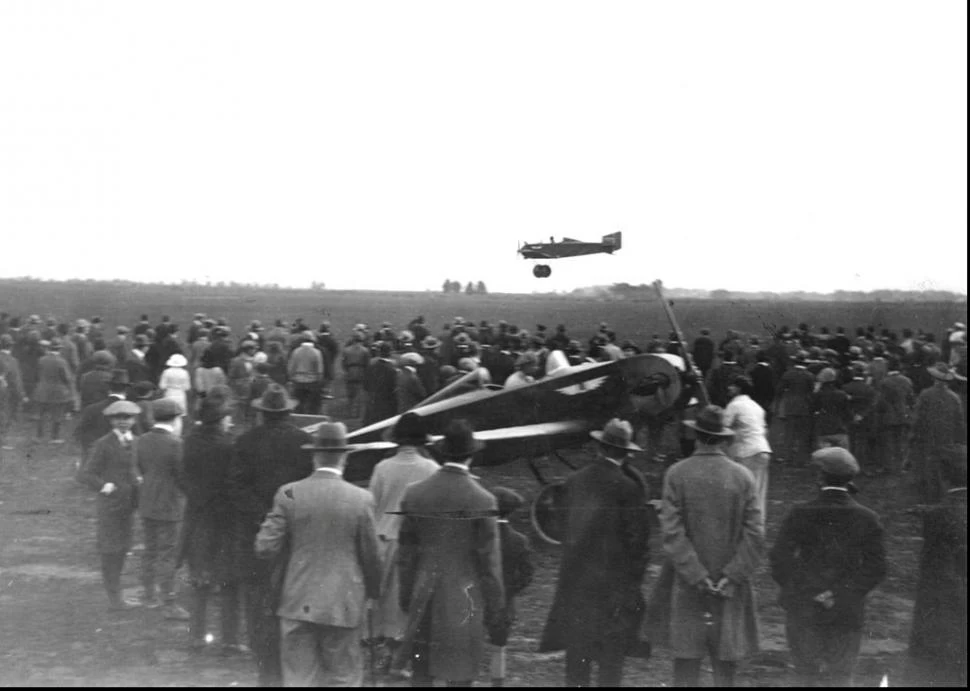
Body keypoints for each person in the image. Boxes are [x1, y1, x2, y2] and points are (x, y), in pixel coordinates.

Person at [254, 421, 382, 687]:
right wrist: (372, 592)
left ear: (314, 456)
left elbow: (264, 547)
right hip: (344, 603)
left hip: (297, 601)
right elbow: (373, 557)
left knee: (299, 680)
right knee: (344, 679)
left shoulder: (289, 493)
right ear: (344, 457)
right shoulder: (361, 499)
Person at [644, 405, 763, 687]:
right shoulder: (743, 477)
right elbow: (755, 535)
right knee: (725, 666)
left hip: (687, 585)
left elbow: (672, 533)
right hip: (728, 587)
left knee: (686, 664)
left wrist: (697, 576)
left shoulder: (676, 474)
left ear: (696, 435)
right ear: (723, 439)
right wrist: (731, 577)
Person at [540, 418, 651, 687]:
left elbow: (561, 529)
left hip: (577, 586)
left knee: (577, 662)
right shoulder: (629, 488)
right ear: (626, 453)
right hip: (614, 590)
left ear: (600, 447)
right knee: (610, 665)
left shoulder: (574, 481)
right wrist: (632, 584)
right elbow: (639, 544)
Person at [397, 419, 506, 686]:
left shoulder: (415, 494)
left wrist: (406, 595)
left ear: (443, 452)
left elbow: (405, 555)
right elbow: (489, 563)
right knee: (460, 676)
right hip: (464, 603)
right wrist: (496, 609)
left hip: (424, 597)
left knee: (421, 675)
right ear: (471, 455)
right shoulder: (483, 500)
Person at [770, 447, 887, 687]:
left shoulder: (799, 513)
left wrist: (806, 591)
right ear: (850, 479)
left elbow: (779, 559)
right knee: (842, 676)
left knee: (805, 674)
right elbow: (876, 567)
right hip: (845, 610)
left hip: (804, 608)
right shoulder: (867, 517)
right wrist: (840, 593)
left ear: (819, 477)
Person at [228, 383, 313, 688]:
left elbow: (236, 487)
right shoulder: (304, 441)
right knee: (293, 598)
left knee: (258, 599)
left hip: (256, 534)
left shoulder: (245, 441)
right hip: (295, 535)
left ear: (262, 412)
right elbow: (309, 487)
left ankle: (266, 666)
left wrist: (264, 517)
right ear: (288, 412)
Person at [368, 413, 440, 675]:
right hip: (414, 543)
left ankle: (384, 652)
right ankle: (400, 655)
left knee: (383, 599)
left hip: (383, 539)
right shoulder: (431, 469)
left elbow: (372, 504)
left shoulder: (382, 468)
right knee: (406, 601)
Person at [180, 398, 244, 654]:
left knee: (200, 580)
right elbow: (233, 483)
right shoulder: (228, 447)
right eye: (227, 417)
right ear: (219, 421)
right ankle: (229, 639)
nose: (230, 421)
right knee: (229, 581)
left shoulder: (190, 442)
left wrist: (197, 498)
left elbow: (183, 477)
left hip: (198, 518)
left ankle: (197, 635)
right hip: (224, 520)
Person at [906, 445, 967, 687]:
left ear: (943, 476)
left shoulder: (937, 516)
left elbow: (931, 569)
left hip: (943, 608)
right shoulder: (938, 513)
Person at [76, 400, 143, 610]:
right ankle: (114, 597)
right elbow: (85, 474)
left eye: (128, 418)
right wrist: (104, 485)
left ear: (134, 419)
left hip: (130, 505)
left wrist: (141, 480)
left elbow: (141, 468)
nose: (123, 422)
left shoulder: (139, 442)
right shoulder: (103, 444)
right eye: (118, 418)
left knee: (123, 548)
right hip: (110, 506)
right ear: (111, 420)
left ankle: (117, 595)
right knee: (110, 550)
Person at [136, 397, 190, 620]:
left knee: (150, 549)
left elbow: (140, 467)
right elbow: (182, 476)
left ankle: (148, 594)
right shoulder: (177, 444)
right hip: (170, 504)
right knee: (169, 553)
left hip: (147, 501)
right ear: (176, 419)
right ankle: (169, 601)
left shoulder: (142, 440)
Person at [489, 487, 535, 688]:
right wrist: (512, 590)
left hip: (476, 598)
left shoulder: (479, 536)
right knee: (499, 646)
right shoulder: (518, 540)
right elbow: (527, 574)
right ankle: (497, 681)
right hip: (504, 599)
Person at [908, 362, 966, 504]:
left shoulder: (926, 394)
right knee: (945, 467)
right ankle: (942, 497)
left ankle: (932, 499)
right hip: (947, 437)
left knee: (929, 467)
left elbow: (918, 417)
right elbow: (959, 421)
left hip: (928, 436)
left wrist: (913, 434)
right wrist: (959, 439)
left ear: (935, 379)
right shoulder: (954, 397)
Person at [724, 375, 772, 521]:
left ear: (738, 388)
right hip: (762, 449)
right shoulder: (756, 406)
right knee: (758, 491)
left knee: (743, 489)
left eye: (732, 386)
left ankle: (744, 524)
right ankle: (757, 524)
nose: (729, 388)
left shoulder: (735, 405)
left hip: (747, 451)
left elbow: (724, 427)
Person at [873, 359, 915, 476]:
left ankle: (888, 466)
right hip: (904, 415)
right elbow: (911, 399)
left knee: (887, 443)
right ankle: (901, 467)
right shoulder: (907, 381)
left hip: (888, 416)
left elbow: (881, 401)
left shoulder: (884, 382)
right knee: (902, 442)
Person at [32, 339, 76, 443]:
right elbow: (67, 378)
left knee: (41, 415)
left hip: (42, 390)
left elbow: (36, 376)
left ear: (49, 348)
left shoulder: (41, 360)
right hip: (58, 392)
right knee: (57, 415)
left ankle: (39, 436)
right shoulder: (62, 361)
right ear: (59, 349)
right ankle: (55, 437)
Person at [776, 352, 816, 465]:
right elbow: (812, 392)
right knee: (802, 434)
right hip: (805, 407)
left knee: (789, 433)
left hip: (790, 406)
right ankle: (801, 459)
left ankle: (787, 458)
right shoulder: (810, 376)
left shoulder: (788, 374)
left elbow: (779, 390)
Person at [812, 368, 853, 449]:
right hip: (840, 430)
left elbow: (812, 409)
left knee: (825, 459)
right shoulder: (842, 394)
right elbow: (848, 414)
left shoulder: (818, 395)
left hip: (823, 430)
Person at [287, 337, 324, 415]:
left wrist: (291, 378)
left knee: (298, 403)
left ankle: (299, 417)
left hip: (298, 380)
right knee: (311, 404)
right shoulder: (316, 352)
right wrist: (319, 381)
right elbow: (319, 370)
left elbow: (291, 367)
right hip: (312, 381)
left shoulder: (296, 351)